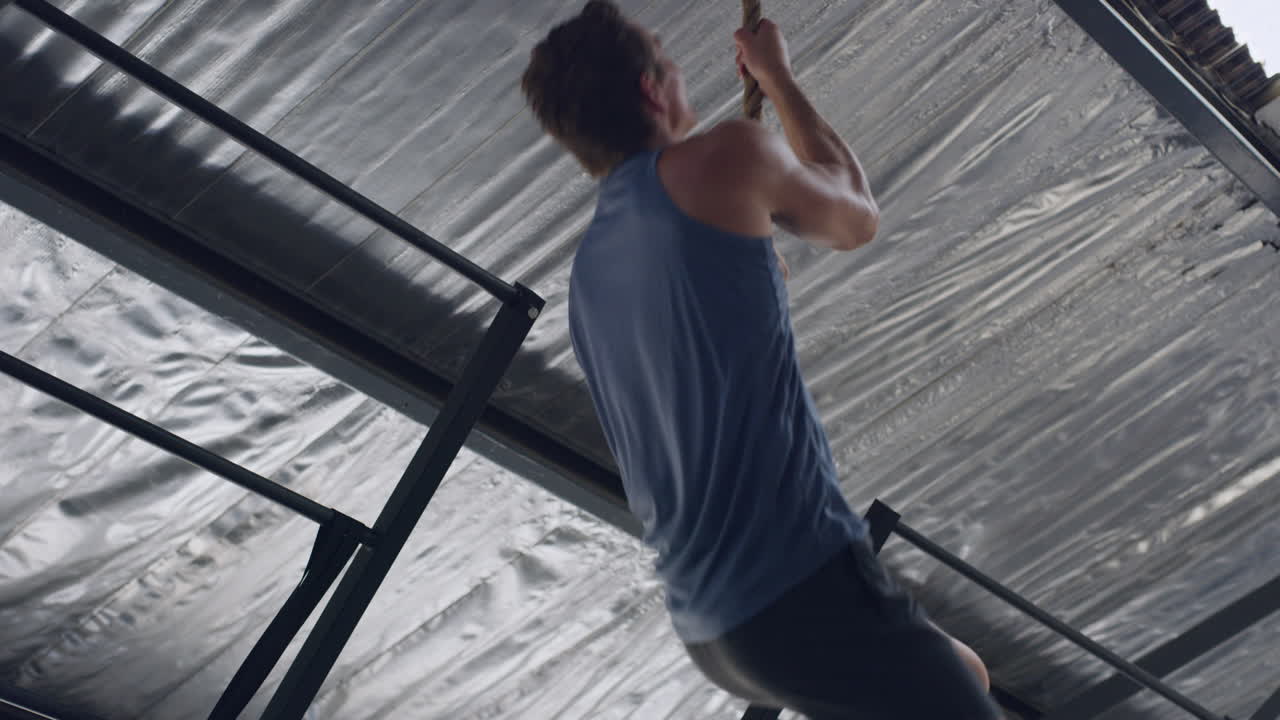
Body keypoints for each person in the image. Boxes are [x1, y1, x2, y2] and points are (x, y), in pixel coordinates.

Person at [521, 3, 1001, 718]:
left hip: (718, 629)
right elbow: (855, 218)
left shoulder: (590, 275)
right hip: (801, 587)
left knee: (968, 672)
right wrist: (777, 77)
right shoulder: (722, 158)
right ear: (652, 88)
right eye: (667, 60)